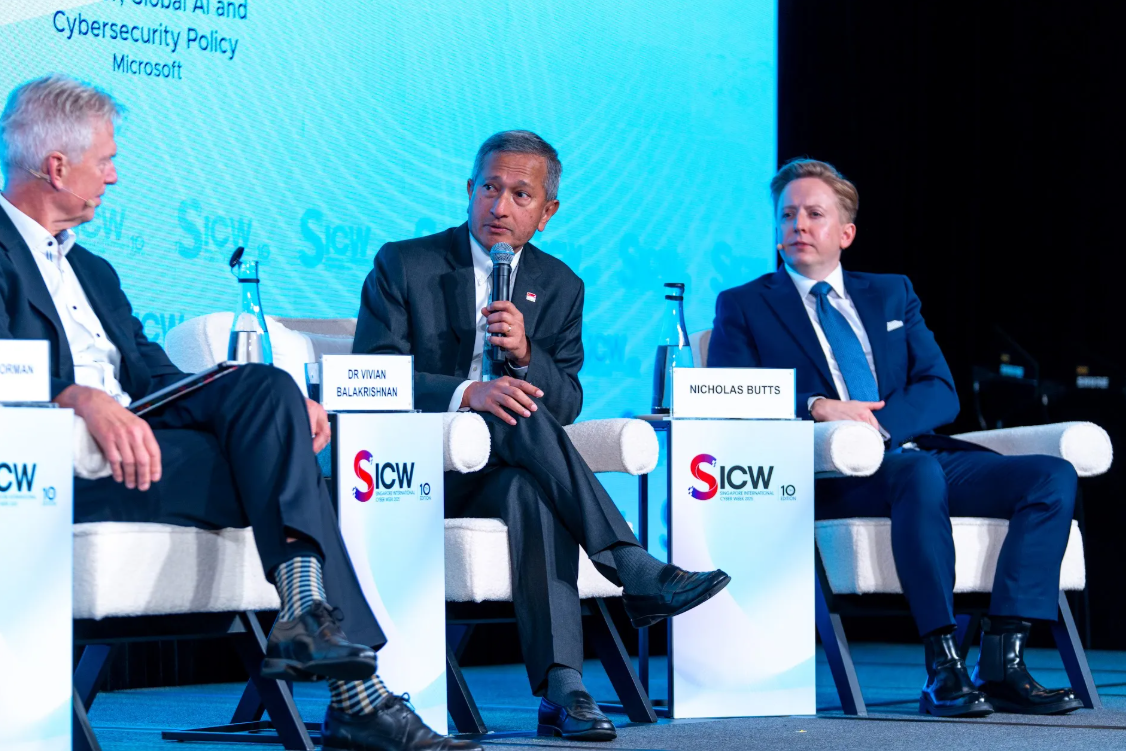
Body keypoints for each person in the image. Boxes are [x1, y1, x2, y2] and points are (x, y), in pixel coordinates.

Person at [0, 74, 479, 751]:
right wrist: (77, 397)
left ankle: (308, 617)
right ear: (56, 167)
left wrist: (277, 405)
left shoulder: (95, 271)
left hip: (149, 451)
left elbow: (160, 380)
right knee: (289, 470)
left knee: (266, 387)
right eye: (105, 160)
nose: (114, 176)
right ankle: (357, 700)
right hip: (50, 472)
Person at [353, 130, 730, 741]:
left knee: (532, 486)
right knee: (514, 409)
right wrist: (467, 393)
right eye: (489, 188)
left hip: (502, 475)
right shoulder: (406, 263)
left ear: (546, 211)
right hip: (413, 471)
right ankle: (631, 564)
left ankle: (564, 687)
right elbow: (369, 376)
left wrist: (527, 355)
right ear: (469, 190)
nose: (500, 205)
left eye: (520, 194)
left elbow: (568, 402)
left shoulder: (560, 285)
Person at [709, 157, 1082, 718]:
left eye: (814, 214)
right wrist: (816, 407)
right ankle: (944, 667)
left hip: (907, 449)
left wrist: (877, 428)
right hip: (831, 472)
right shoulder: (745, 303)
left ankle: (1003, 661)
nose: (798, 225)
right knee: (918, 473)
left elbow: (939, 390)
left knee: (1050, 476)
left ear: (846, 232)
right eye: (787, 215)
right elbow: (731, 393)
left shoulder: (890, 293)